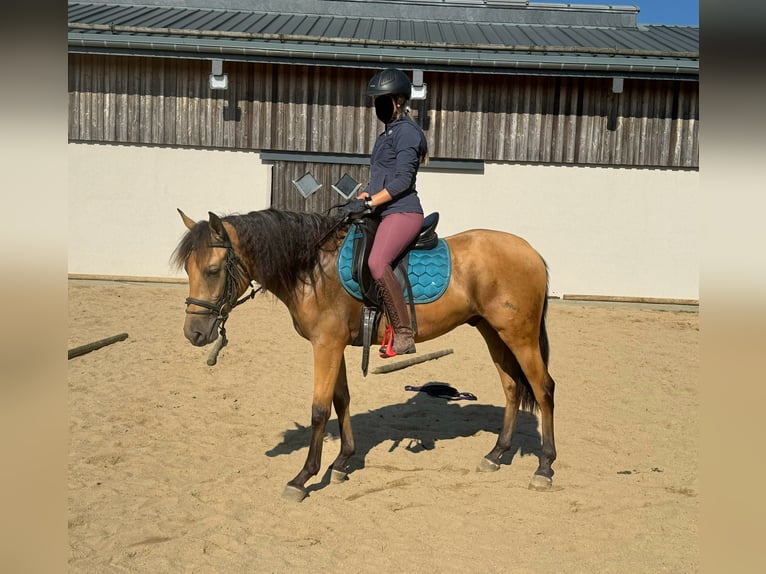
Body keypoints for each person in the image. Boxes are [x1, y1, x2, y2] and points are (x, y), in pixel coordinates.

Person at [341, 68, 428, 358]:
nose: (378, 104)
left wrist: (372, 202)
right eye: (376, 99)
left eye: (383, 99)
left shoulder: (407, 133)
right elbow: (383, 176)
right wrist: (367, 194)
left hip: (403, 212)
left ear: (400, 100)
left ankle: (404, 332)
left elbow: (403, 181)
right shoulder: (386, 134)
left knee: (378, 261)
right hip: (383, 209)